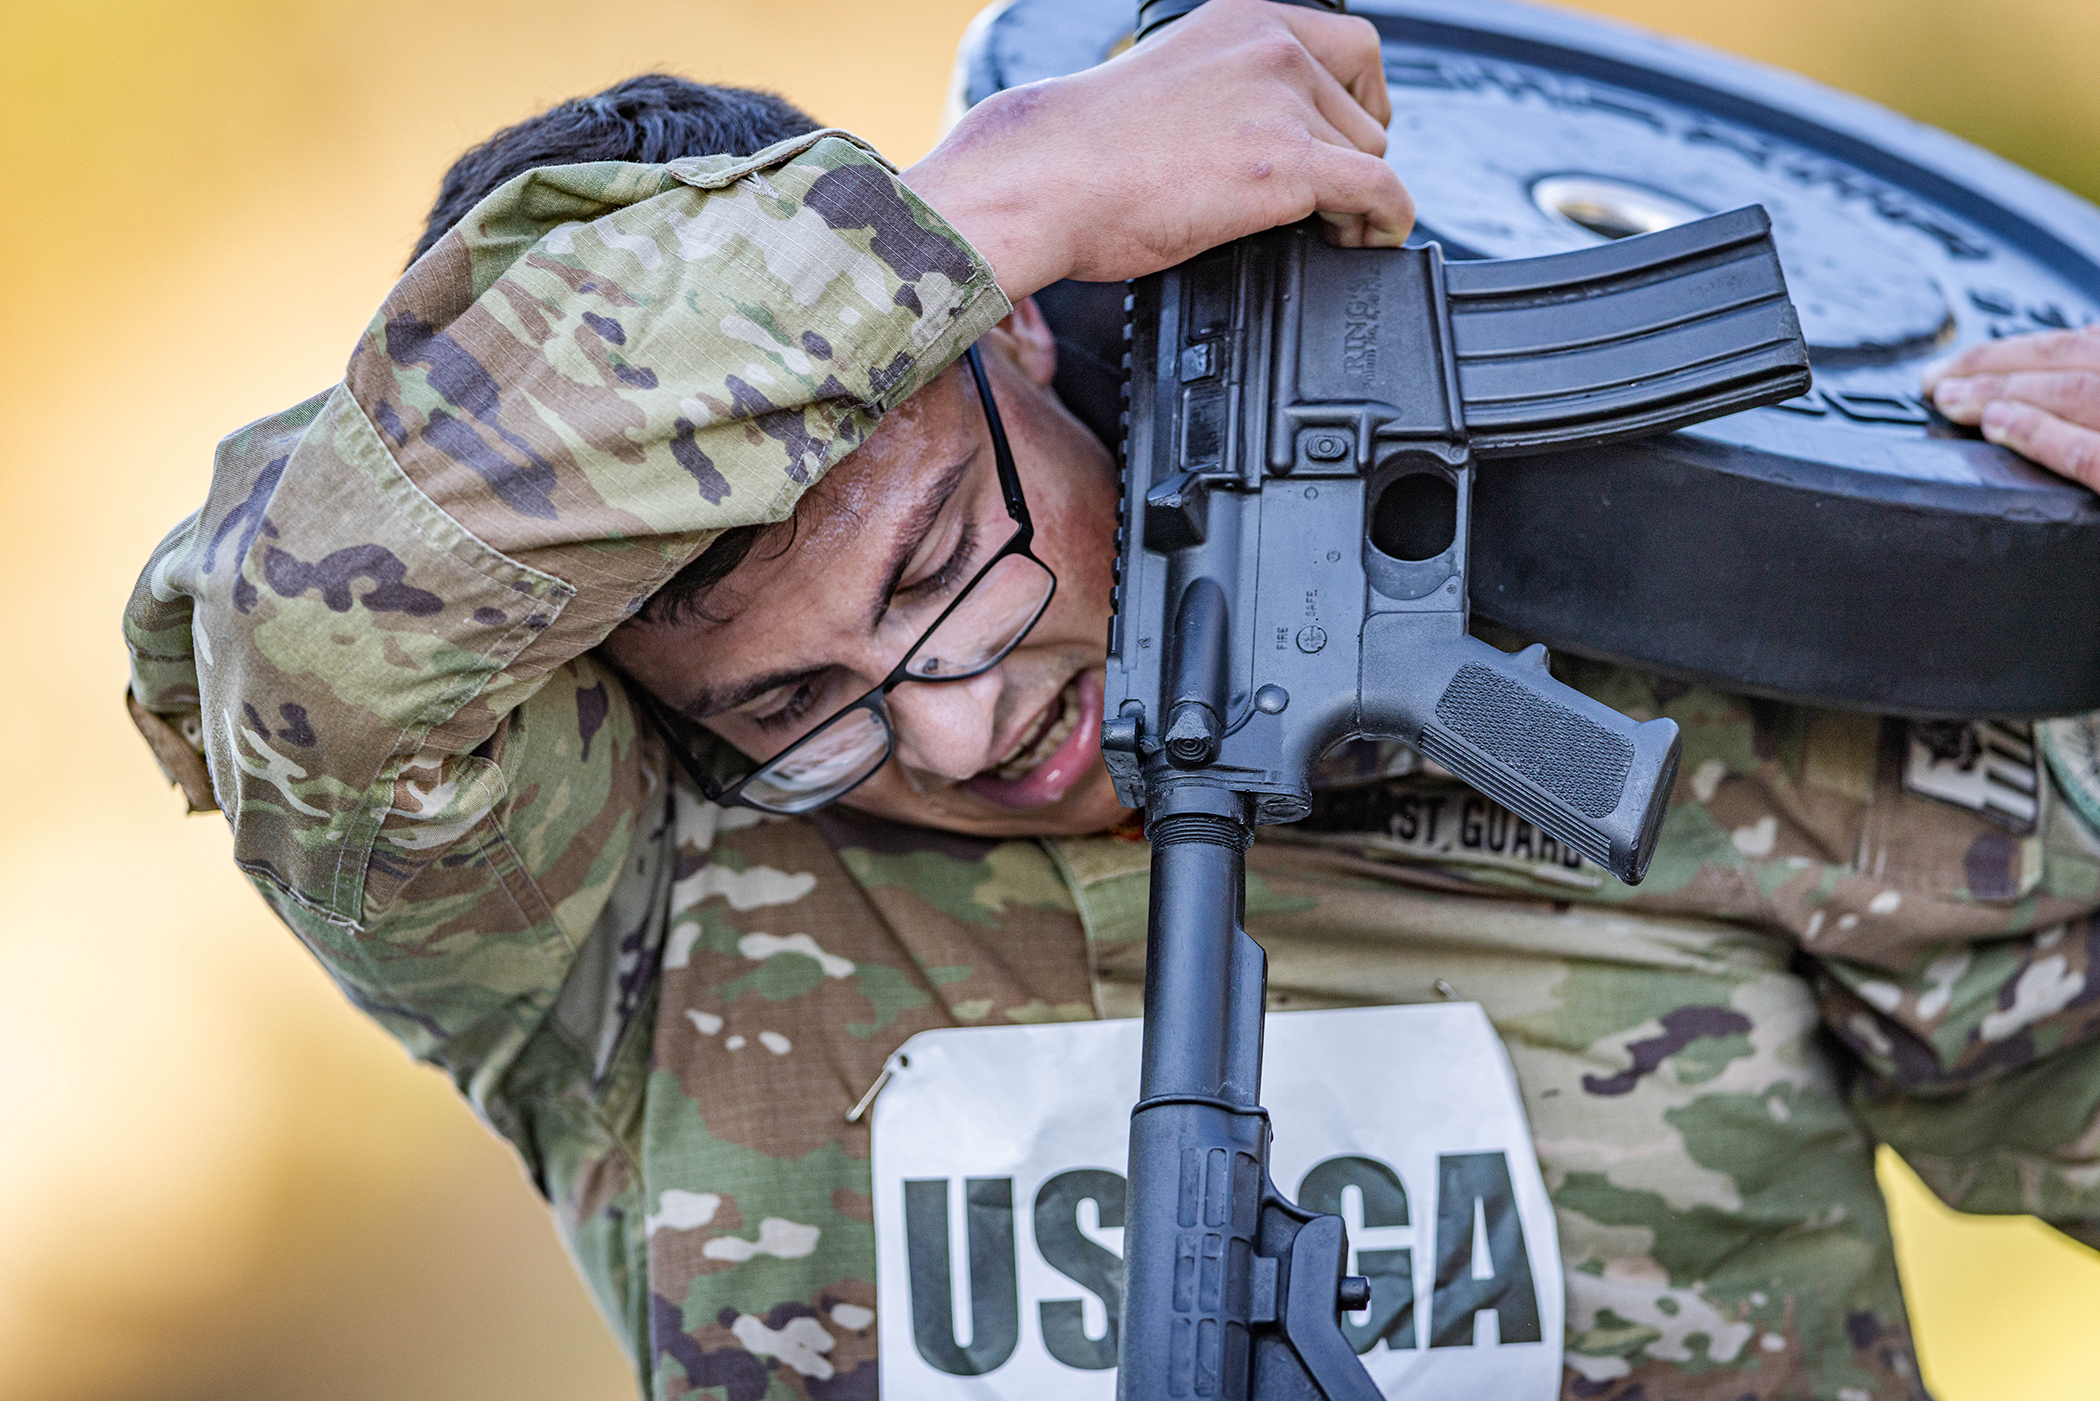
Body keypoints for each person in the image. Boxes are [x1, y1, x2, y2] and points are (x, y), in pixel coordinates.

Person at [121, 6, 2099, 1397]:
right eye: (797, 697)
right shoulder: (610, 906)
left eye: (938, 569)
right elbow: (316, 625)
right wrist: (994, 192)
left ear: (1041, 355)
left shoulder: (1663, 713)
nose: (958, 726)